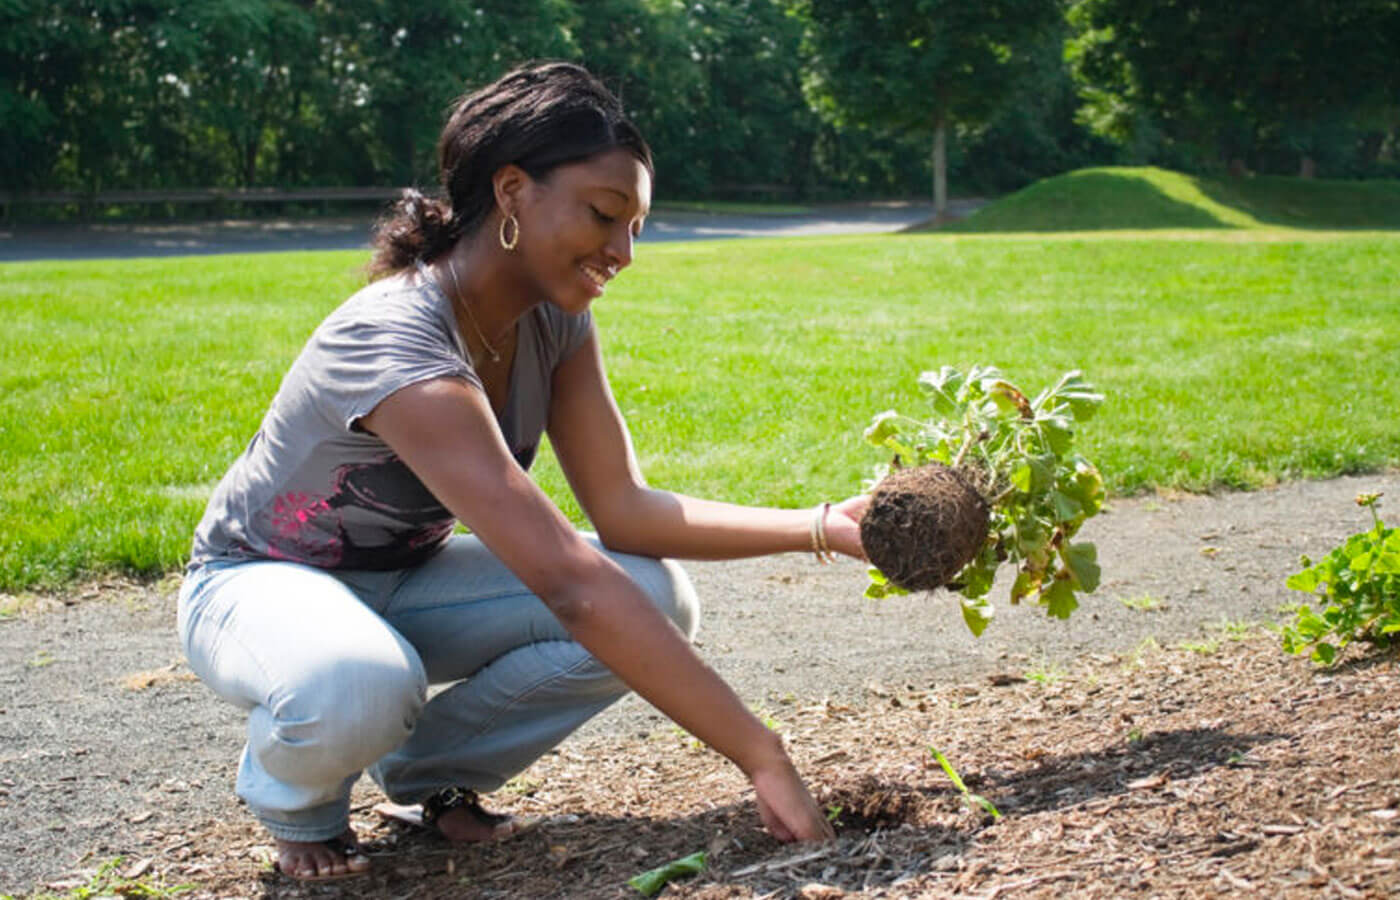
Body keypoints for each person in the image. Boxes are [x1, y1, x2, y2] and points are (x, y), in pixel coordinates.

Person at [178, 60, 868, 882]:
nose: (623, 251)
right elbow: (567, 581)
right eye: (604, 215)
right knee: (363, 683)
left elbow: (623, 513)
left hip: (402, 578)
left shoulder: (554, 323)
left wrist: (824, 527)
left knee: (653, 595)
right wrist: (761, 754)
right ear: (512, 191)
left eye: (636, 227)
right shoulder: (394, 343)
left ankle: (429, 779)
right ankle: (297, 804)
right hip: (256, 584)